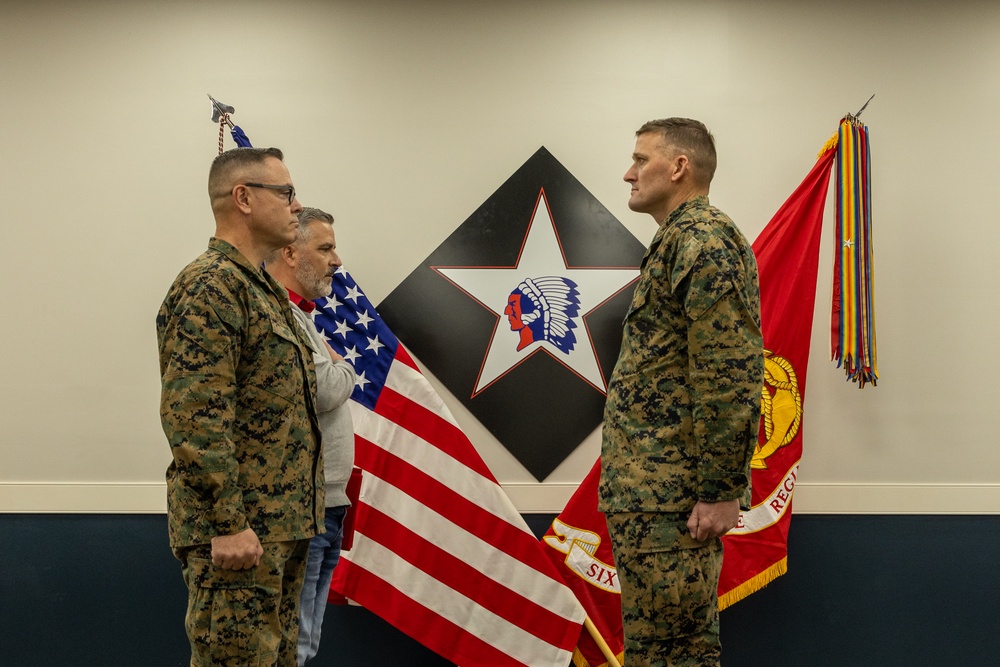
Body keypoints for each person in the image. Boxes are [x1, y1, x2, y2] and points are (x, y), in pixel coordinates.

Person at [598, 118, 763, 666]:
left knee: (677, 654)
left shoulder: (703, 241)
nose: (629, 173)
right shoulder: (676, 241)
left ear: (679, 167)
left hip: (674, 502)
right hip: (652, 500)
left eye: (641, 159)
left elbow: (728, 372)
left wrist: (720, 490)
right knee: (657, 652)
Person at [157, 147, 324, 667]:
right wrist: (228, 520)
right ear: (244, 198)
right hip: (241, 535)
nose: (297, 206)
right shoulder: (212, 285)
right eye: (287, 194)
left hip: (280, 528)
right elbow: (195, 416)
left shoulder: (262, 290)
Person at [264, 207, 356, 666]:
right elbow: (324, 388)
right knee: (295, 645)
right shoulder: (280, 315)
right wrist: (347, 366)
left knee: (306, 643)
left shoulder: (304, 317)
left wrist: (336, 366)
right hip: (304, 505)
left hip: (327, 501)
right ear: (288, 252)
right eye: (325, 248)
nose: (336, 260)